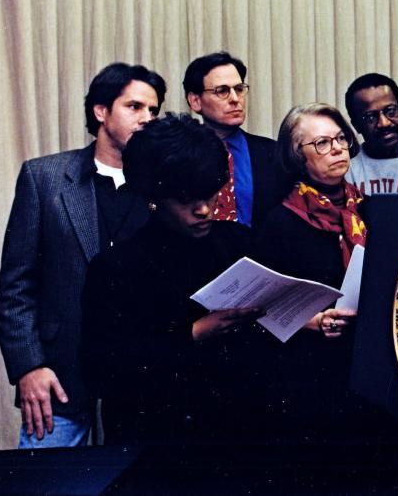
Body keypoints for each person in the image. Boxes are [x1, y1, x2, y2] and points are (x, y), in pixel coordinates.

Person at [0, 63, 166, 448]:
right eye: (135, 107)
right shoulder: (45, 178)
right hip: (60, 377)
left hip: (138, 378)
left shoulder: (161, 186)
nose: (146, 119)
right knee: (47, 485)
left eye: (153, 111)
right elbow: (15, 286)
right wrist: (29, 366)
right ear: (101, 111)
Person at [81, 114, 269, 444]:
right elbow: (102, 370)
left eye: (210, 195)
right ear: (154, 197)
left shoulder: (238, 242)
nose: (204, 210)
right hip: (155, 438)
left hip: (237, 430)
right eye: (187, 200)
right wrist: (194, 333)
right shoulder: (117, 266)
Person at [253, 103, 364, 439]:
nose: (337, 149)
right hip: (308, 373)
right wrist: (312, 321)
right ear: (297, 155)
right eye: (322, 143)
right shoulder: (279, 222)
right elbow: (260, 307)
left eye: (341, 139)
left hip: (364, 363)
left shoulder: (370, 211)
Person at [184, 51, 288, 227]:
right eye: (222, 91)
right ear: (195, 101)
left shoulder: (273, 152)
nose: (235, 99)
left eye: (239, 89)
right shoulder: (180, 154)